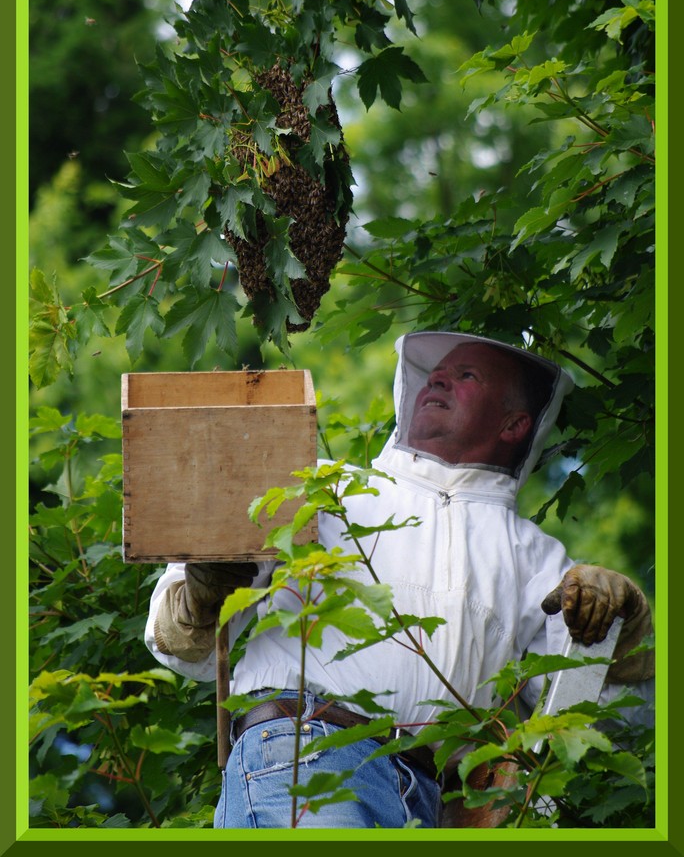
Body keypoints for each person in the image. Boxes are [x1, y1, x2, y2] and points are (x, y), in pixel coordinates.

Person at [145, 331, 654, 829]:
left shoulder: (535, 555)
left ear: (514, 423)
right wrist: (203, 591)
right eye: (434, 373)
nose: (438, 380)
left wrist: (619, 630)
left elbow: (600, 715)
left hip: (430, 806)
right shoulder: (323, 483)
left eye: (465, 374)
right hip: (306, 756)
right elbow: (177, 648)